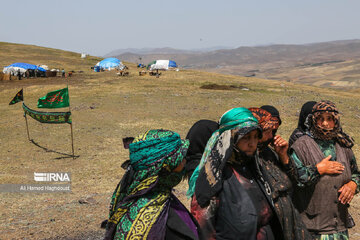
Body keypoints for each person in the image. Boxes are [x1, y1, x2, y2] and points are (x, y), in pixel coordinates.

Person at [188, 107, 285, 240]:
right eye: (246, 137)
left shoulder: (254, 170)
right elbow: (204, 231)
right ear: (231, 137)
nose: (252, 144)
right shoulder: (213, 178)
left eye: (256, 137)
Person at [104, 129, 201, 240]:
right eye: (180, 158)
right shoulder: (157, 220)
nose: (184, 161)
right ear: (163, 169)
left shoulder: (137, 201)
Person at [289, 100, 360, 240]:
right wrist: (317, 170)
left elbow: (356, 174)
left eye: (329, 119)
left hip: (339, 228)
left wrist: (353, 184)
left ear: (336, 120)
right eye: (320, 118)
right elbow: (296, 180)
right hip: (312, 230)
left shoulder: (344, 146)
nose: (325, 123)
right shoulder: (300, 146)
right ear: (313, 120)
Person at [249, 107, 312, 240]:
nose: (271, 136)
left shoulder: (271, 153)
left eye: (274, 131)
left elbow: (298, 181)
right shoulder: (247, 160)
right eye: (267, 131)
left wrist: (284, 156)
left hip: (288, 224)